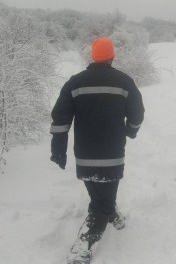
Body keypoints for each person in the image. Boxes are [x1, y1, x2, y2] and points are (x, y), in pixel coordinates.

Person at [50, 37, 145, 262]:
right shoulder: (124, 82)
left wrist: (59, 147)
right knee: (101, 203)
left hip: (84, 155)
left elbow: (60, 117)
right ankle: (81, 251)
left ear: (93, 56)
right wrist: (131, 131)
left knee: (98, 193)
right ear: (112, 56)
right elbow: (137, 113)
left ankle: (112, 214)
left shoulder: (75, 83)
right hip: (112, 155)